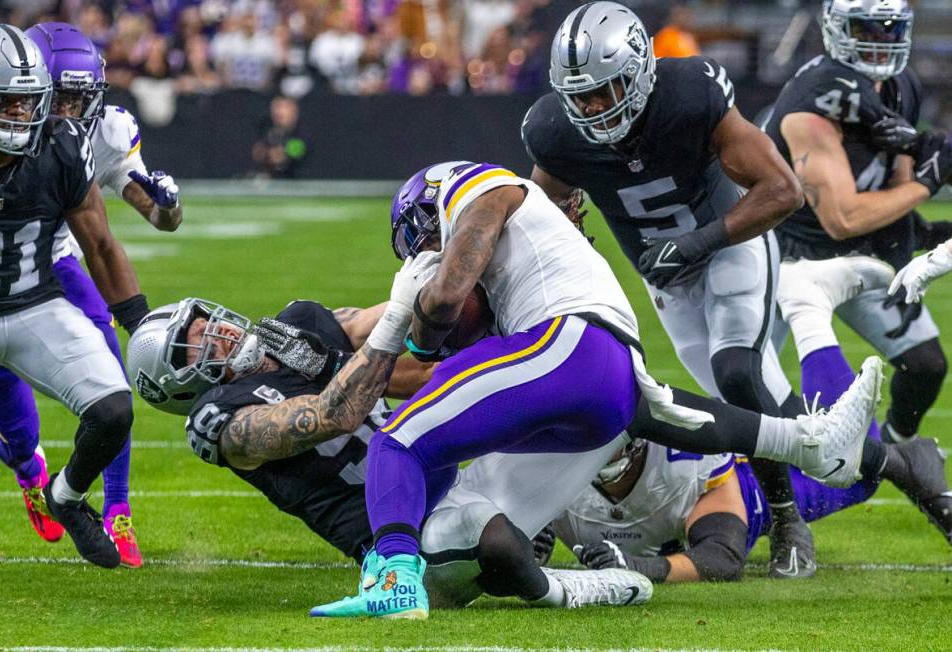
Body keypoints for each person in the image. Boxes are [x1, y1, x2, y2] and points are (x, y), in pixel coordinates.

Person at [309, 160, 882, 619]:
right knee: (452, 544)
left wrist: (418, 324)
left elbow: (444, 298)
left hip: (568, 341)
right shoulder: (529, 262)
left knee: (398, 441)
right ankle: (811, 443)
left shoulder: (474, 187)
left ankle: (391, 581)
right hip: (611, 378)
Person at [522, 1, 815, 578]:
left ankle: (788, 520)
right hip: (668, 283)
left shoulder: (688, 95)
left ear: (641, 71)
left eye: (606, 90)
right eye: (580, 95)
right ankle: (880, 457)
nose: (593, 107)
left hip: (732, 245)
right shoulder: (554, 131)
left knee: (736, 376)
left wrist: (696, 242)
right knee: (749, 415)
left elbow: (782, 191)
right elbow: (546, 208)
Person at [126, 293, 655, 611]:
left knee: (608, 409)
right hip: (407, 541)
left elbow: (402, 328)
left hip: (458, 478)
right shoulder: (218, 422)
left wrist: (454, 275)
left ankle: (736, 447)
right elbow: (333, 415)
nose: (216, 335)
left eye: (206, 323)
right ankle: (567, 590)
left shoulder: (292, 328)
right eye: (195, 345)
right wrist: (334, 357)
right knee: (490, 540)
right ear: (176, 385)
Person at [0, 22, 182, 568]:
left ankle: (105, 506)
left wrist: (138, 319)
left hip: (44, 270)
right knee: (2, 389)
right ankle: (27, 464)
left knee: (112, 388)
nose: (67, 110)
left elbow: (118, 234)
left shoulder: (73, 140)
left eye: (79, 97)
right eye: (57, 97)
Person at [763, 0, 952, 456]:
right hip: (780, 258)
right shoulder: (815, 103)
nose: (880, 41)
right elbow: (842, 217)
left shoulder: (899, 83)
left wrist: (912, 228)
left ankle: (898, 452)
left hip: (857, 256)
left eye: (890, 30)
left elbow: (898, 177)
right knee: (749, 384)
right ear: (836, 30)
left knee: (925, 365)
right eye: (867, 29)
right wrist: (928, 185)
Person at [548, 428, 952, 584]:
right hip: (665, 531)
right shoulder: (540, 461)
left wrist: (637, 568)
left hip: (747, 486)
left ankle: (905, 456)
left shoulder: (686, 462)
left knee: (848, 470)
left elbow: (722, 557)